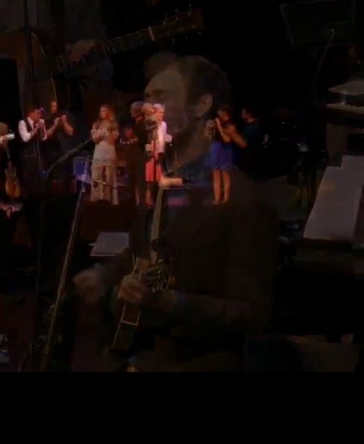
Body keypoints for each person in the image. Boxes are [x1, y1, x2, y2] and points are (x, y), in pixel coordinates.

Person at [73, 55, 279, 372]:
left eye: (161, 97)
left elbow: (252, 315)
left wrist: (172, 303)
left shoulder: (242, 199)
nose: (146, 108)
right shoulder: (156, 182)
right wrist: (104, 276)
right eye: (146, 98)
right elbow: (144, 251)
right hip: (135, 354)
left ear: (201, 106)